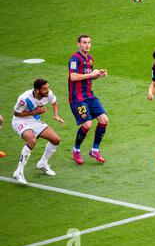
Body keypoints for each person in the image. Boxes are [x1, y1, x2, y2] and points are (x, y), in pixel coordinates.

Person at [12, 78, 64, 185]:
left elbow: (54, 102)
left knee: (56, 140)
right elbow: (16, 114)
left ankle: (42, 163)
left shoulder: (48, 94)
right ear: (37, 90)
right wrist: (35, 111)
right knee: (32, 140)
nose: (47, 90)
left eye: (47, 88)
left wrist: (56, 115)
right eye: (44, 89)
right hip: (20, 121)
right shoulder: (24, 98)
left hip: (34, 120)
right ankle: (19, 172)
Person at [68, 34, 109, 165]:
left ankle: (95, 150)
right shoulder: (74, 59)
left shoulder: (89, 58)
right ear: (78, 44)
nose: (87, 45)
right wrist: (91, 74)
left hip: (89, 95)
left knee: (104, 120)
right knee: (87, 124)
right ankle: (76, 149)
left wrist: (98, 75)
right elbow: (73, 77)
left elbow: (89, 77)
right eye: (84, 42)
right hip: (77, 97)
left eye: (89, 42)